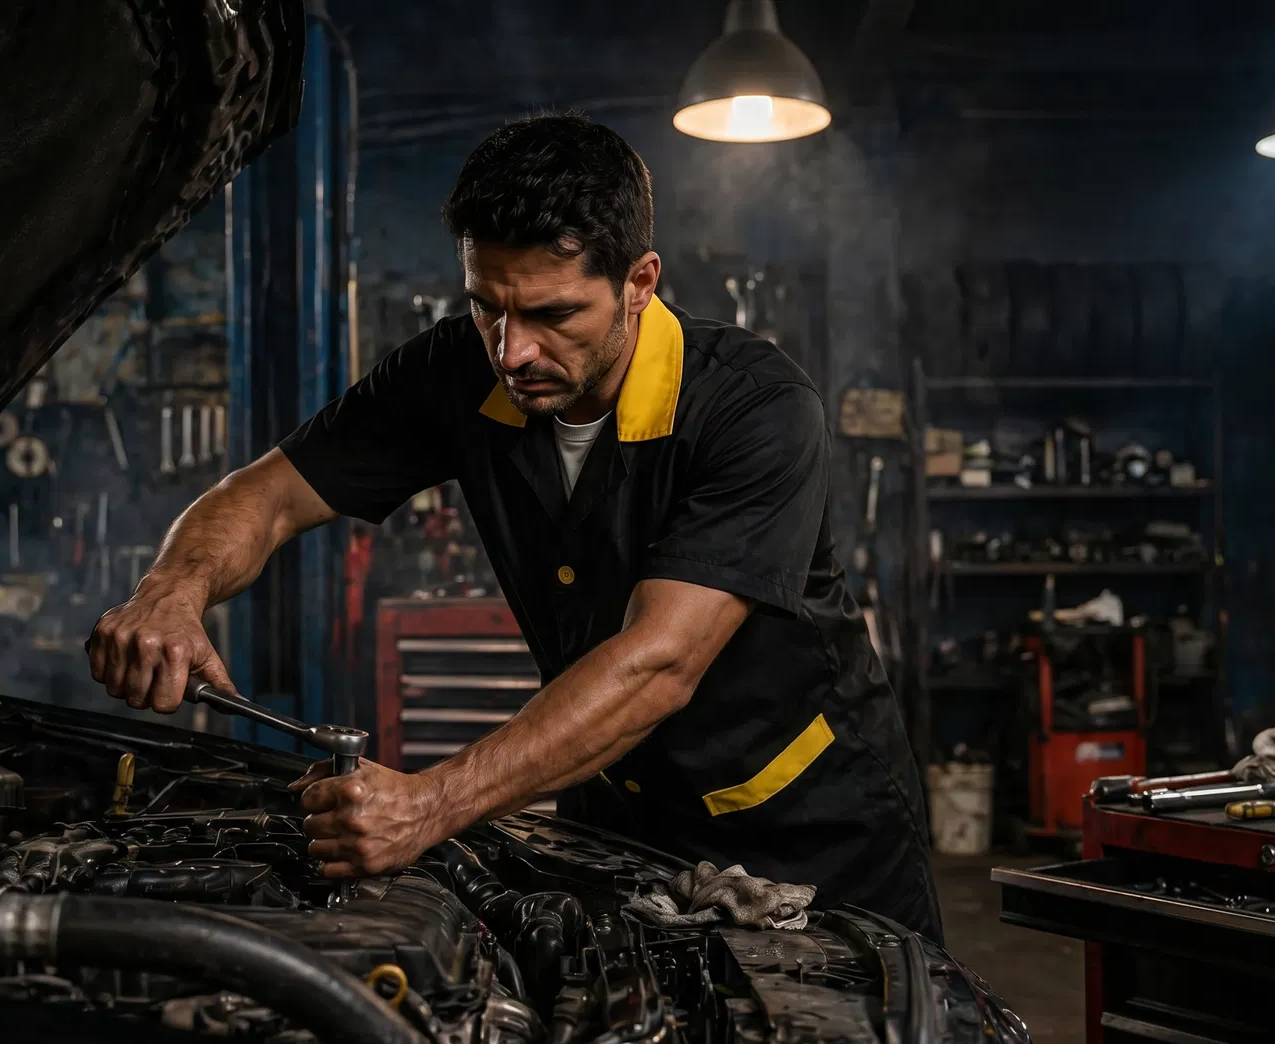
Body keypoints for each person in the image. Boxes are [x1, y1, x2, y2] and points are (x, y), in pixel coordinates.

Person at [85, 114, 941, 939]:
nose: (512, 349)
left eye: (553, 315)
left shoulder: (755, 409)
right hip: (621, 829)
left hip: (812, 837)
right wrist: (172, 590)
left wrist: (432, 804)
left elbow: (660, 665)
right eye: (488, 306)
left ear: (640, 282)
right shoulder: (454, 371)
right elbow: (267, 492)